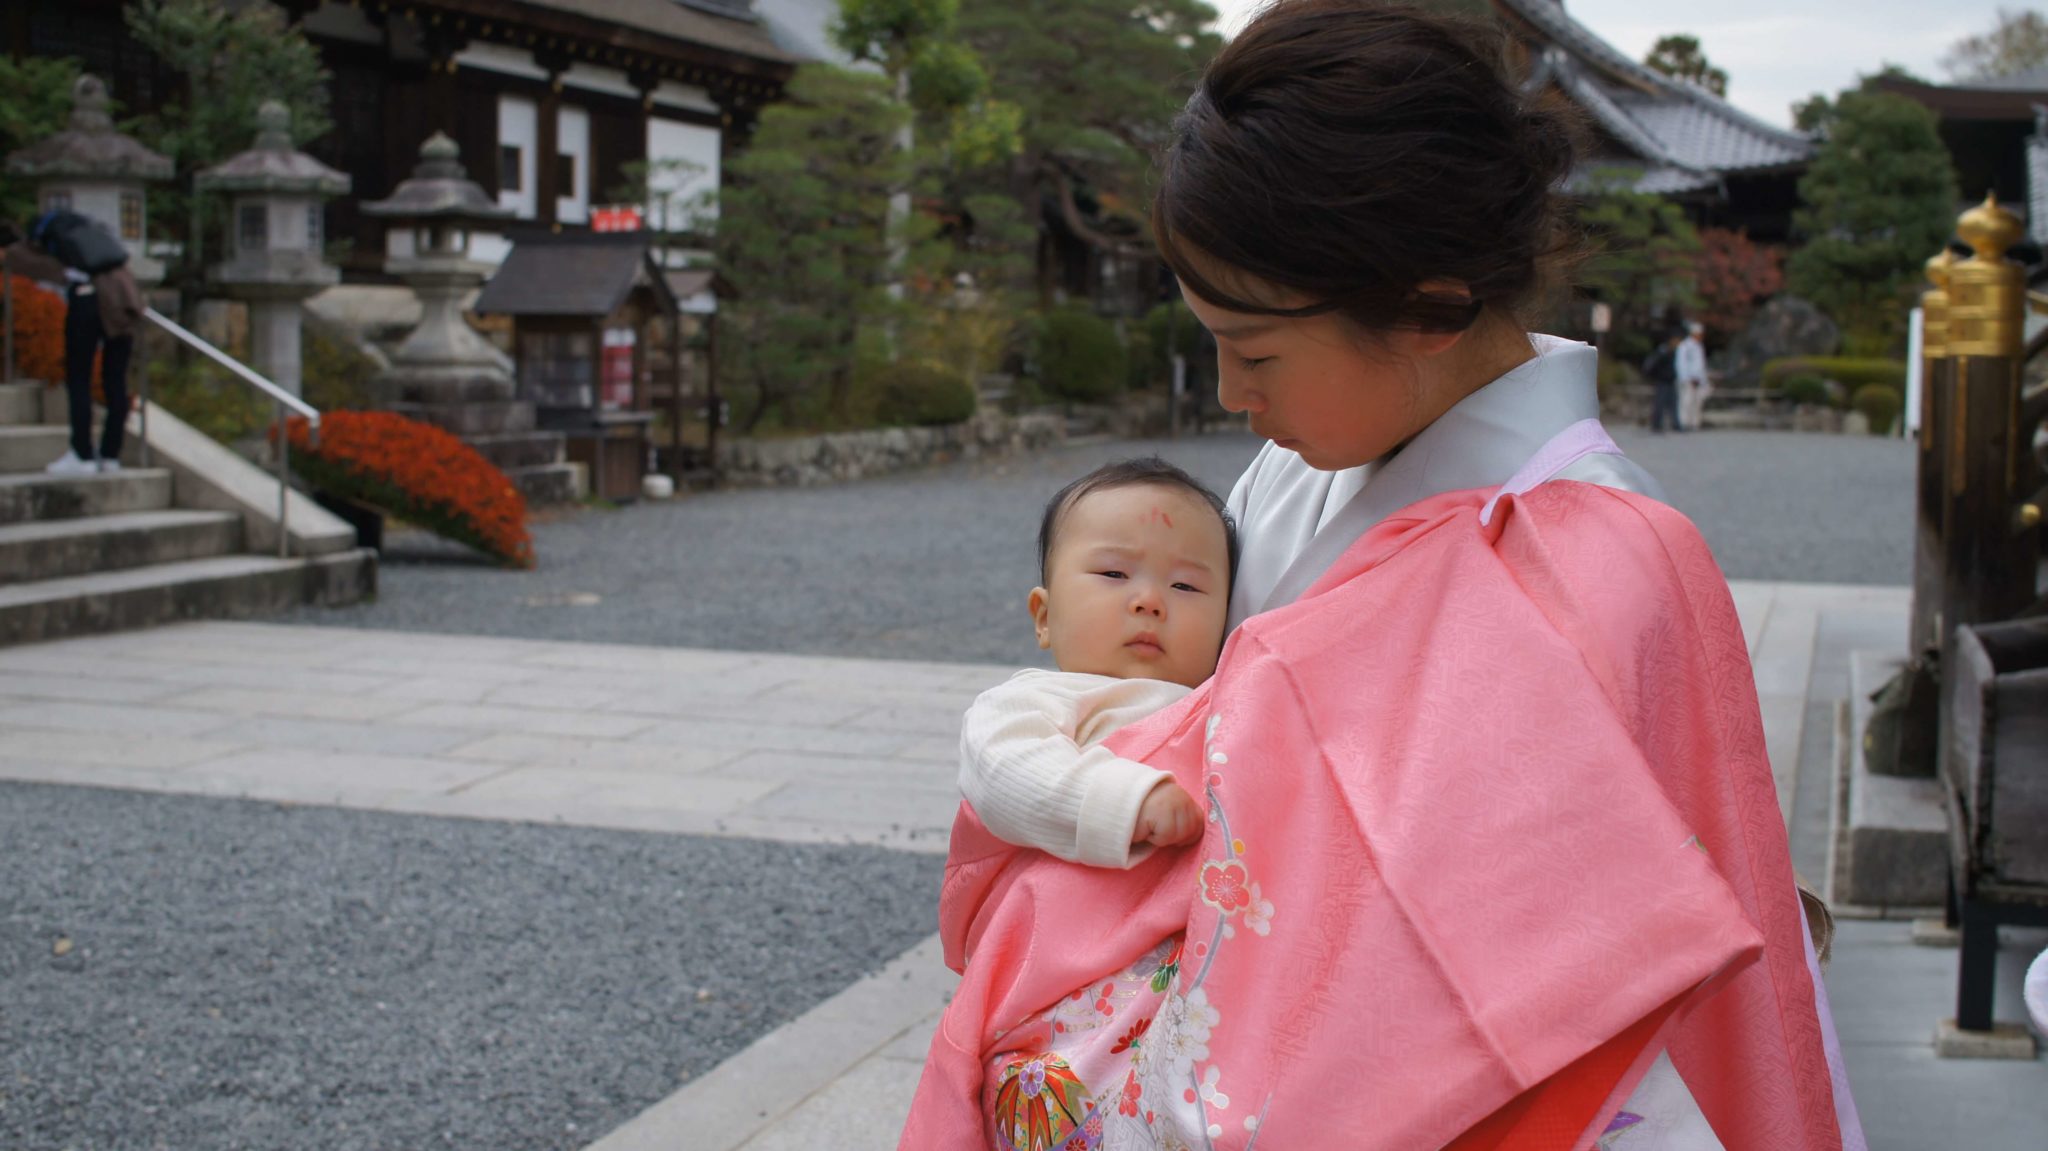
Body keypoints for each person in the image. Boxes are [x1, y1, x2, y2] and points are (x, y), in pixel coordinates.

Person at [904, 3, 1863, 1149]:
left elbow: (1566, 990)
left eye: (1253, 350)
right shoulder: (1289, 474)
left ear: (1430, 304)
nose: (1227, 393)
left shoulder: (1608, 562)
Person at [959, 458, 1233, 869]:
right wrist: (1125, 801)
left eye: (1184, 585)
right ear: (1045, 617)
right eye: (1114, 573)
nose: (1149, 601)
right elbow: (1003, 771)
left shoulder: (1229, 699)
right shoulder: (1031, 701)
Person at [3, 211, 144, 475]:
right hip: (126, 300)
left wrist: (62, 276)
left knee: (78, 378)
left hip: (88, 301)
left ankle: (82, 453)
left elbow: (22, 260)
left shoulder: (51, 242)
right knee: (116, 381)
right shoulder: (97, 237)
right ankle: (110, 455)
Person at [1645, 328, 1682, 433]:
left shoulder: (1674, 352)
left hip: (1670, 380)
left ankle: (1676, 424)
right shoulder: (1663, 351)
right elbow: (1654, 365)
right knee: (1660, 404)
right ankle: (1656, 424)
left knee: (1673, 403)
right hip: (1663, 381)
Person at [1677, 321, 1712, 431]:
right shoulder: (1685, 346)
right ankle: (1683, 422)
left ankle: (1694, 423)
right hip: (1688, 379)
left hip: (1699, 379)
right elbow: (1681, 363)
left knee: (1697, 402)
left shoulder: (1699, 346)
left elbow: (1701, 365)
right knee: (1686, 401)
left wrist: (1703, 379)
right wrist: (1686, 377)